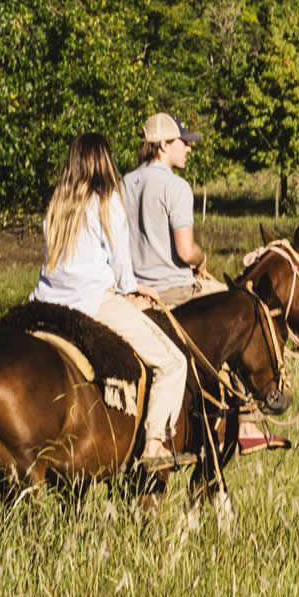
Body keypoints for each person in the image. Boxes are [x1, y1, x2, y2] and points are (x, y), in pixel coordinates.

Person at [122, 112, 289, 455]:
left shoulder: (124, 184)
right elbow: (185, 251)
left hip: (134, 292)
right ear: (164, 145)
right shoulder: (176, 187)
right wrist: (201, 260)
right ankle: (247, 422)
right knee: (246, 313)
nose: (189, 149)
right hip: (175, 290)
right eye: (184, 143)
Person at [31, 133, 193, 470]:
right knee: (174, 363)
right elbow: (121, 271)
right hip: (91, 302)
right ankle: (153, 445)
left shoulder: (56, 206)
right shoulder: (107, 202)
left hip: (45, 301)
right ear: (104, 161)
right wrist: (136, 291)